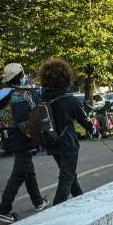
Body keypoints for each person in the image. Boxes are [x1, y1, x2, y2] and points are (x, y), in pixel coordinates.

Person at [0, 63, 48, 223]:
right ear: (20, 76)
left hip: (8, 138)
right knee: (19, 173)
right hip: (24, 139)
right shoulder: (21, 94)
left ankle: (38, 202)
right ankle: (3, 210)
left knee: (28, 170)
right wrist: (37, 139)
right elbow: (26, 121)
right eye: (23, 73)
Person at [38, 58, 95, 205]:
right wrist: (94, 130)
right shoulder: (71, 100)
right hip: (68, 144)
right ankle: (56, 210)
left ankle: (81, 202)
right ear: (66, 77)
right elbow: (84, 120)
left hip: (52, 143)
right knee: (67, 177)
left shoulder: (42, 98)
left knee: (69, 175)